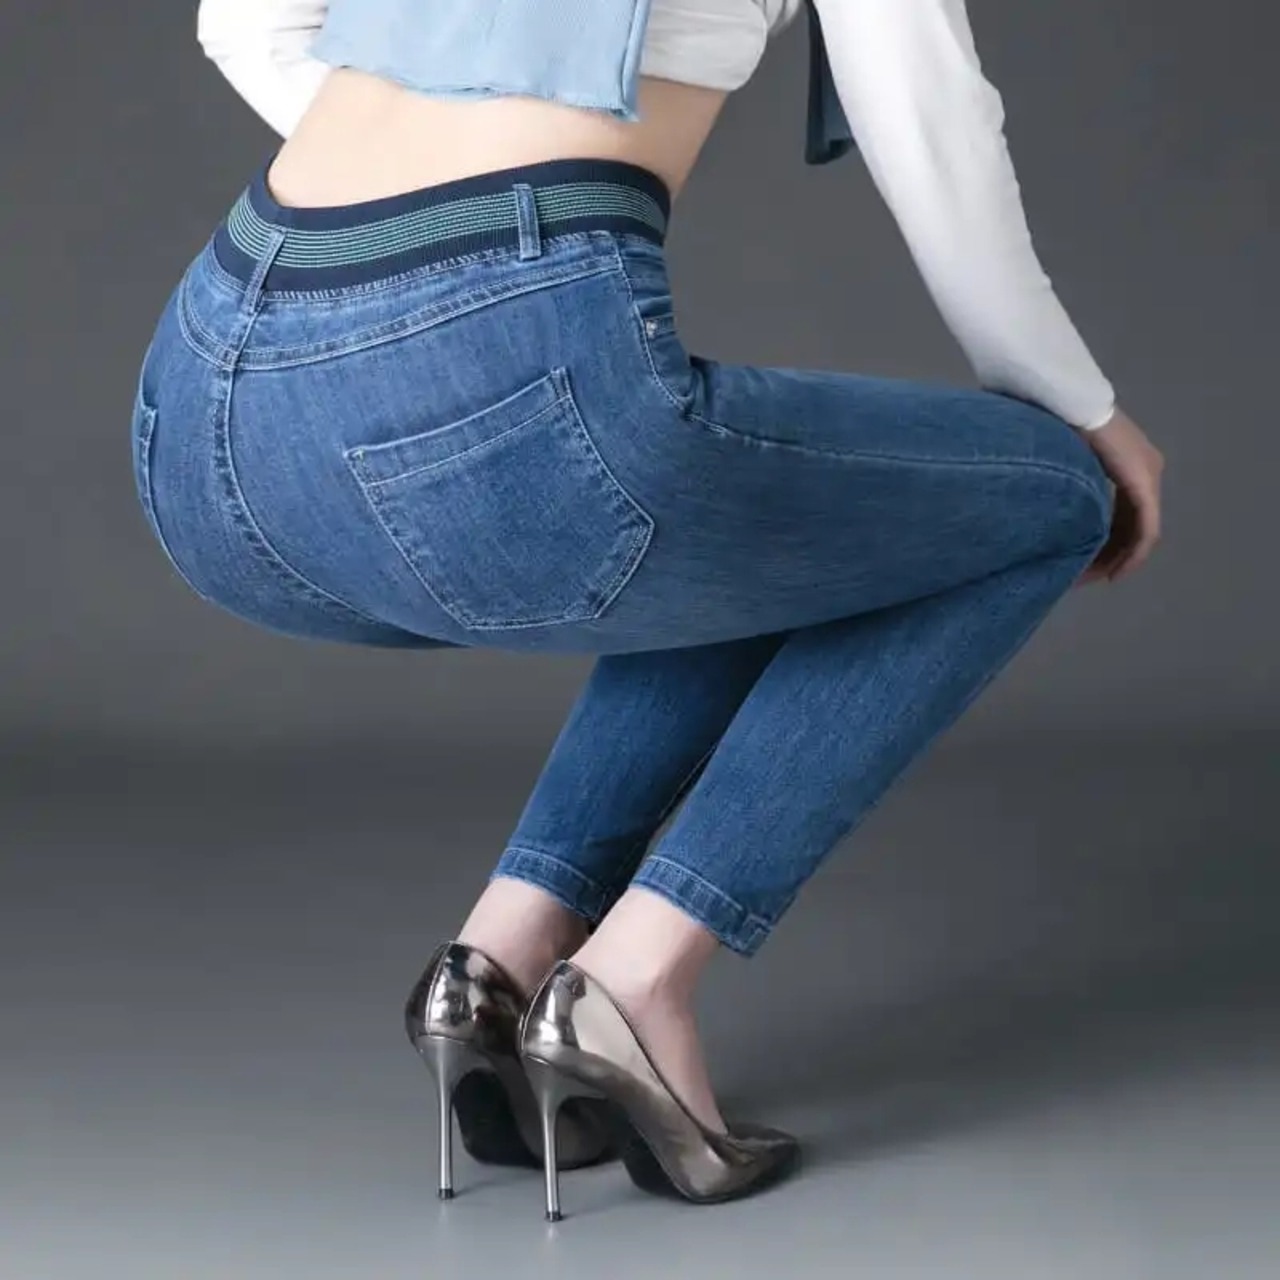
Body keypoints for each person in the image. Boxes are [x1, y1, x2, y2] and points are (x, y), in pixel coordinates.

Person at [130, 0, 1164, 1219]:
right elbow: (926, 117)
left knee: (759, 530)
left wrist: (414, 228)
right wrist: (1081, 411)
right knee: (1044, 498)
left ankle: (498, 964)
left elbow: (242, 21)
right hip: (470, 397)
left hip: (206, 407)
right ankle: (634, 977)